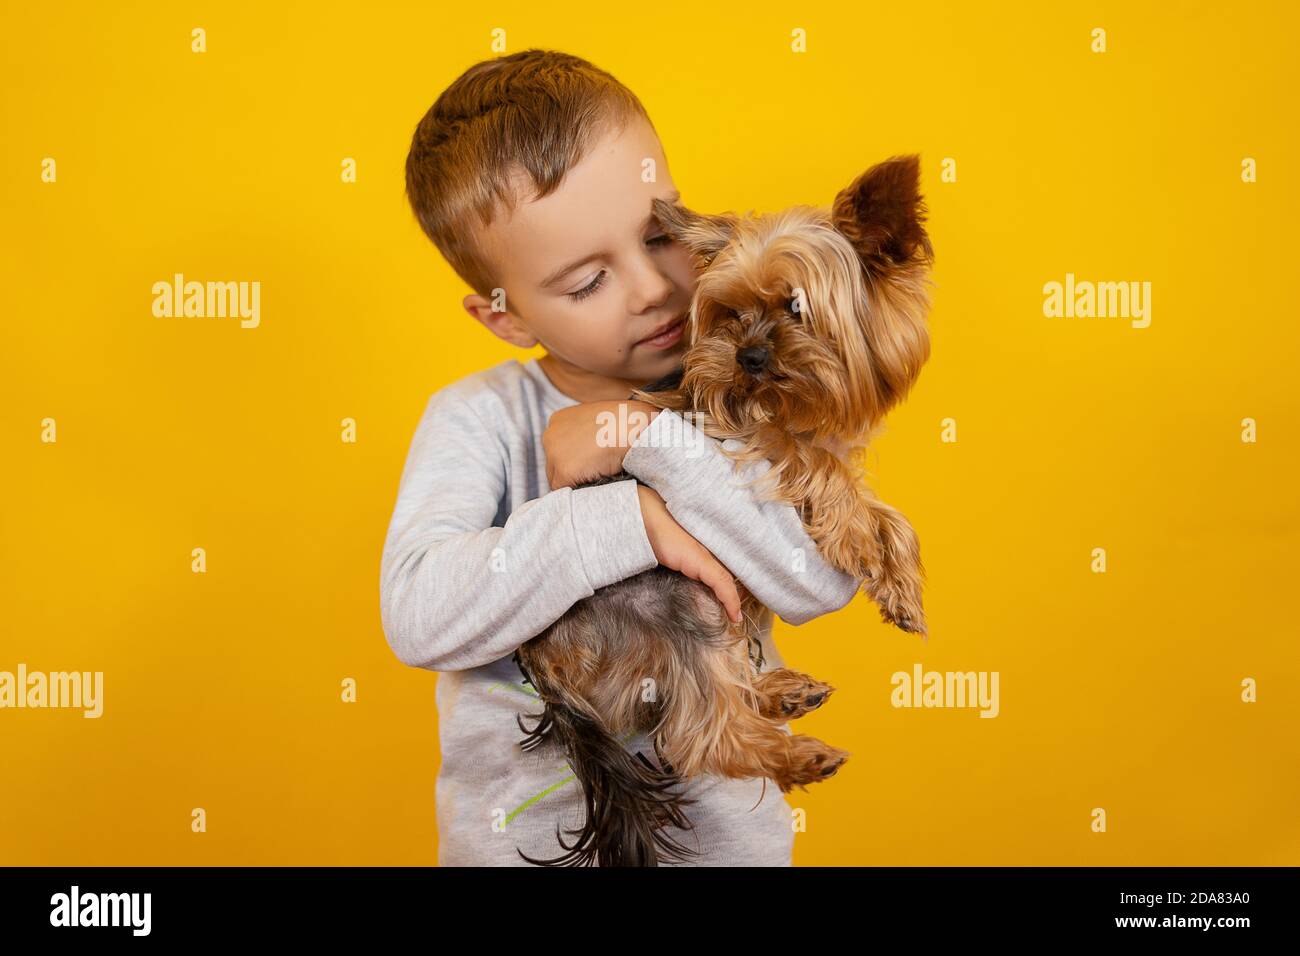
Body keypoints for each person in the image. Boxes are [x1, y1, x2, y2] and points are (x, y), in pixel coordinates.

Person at [383, 48, 860, 866]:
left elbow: (819, 578)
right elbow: (417, 610)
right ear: (506, 316)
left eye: (659, 234)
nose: (650, 289)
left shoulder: (739, 382)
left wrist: (648, 439)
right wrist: (624, 520)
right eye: (585, 283)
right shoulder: (480, 419)